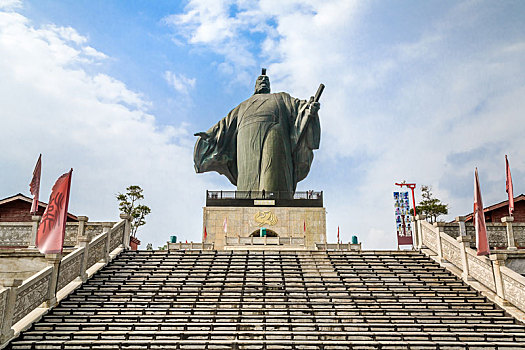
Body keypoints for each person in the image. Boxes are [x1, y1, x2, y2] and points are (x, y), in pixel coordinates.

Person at [194, 69, 321, 196]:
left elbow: (300, 108)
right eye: (260, 80)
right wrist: (209, 136)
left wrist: (308, 109)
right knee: (248, 177)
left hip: (275, 135)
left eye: (266, 81)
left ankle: (274, 201)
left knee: (273, 174)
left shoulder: (281, 98)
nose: (263, 82)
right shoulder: (243, 106)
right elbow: (224, 126)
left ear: (270, 86)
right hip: (246, 143)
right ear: (255, 86)